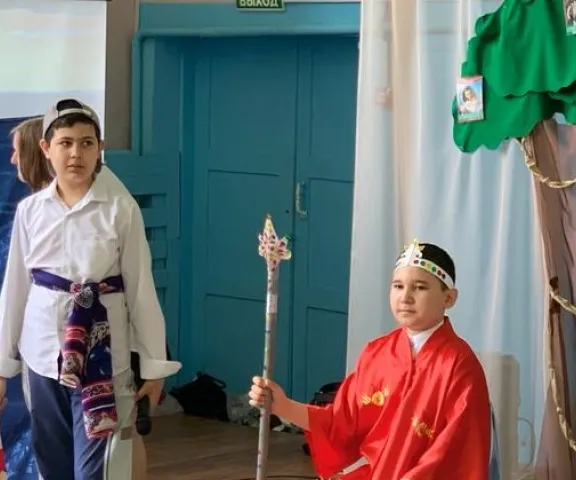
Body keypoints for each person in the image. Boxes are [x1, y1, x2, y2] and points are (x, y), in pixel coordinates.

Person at [0, 99, 181, 480]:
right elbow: (14, 291)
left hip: (102, 360)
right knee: (52, 464)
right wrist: (2, 366)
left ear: (100, 148)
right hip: (42, 356)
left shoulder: (120, 209)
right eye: (65, 143)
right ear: (46, 149)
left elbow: (141, 290)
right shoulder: (31, 211)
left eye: (86, 143)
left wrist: (154, 365)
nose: (75, 154)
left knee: (95, 469)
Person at [249, 239, 491, 480]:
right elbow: (340, 423)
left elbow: (453, 454)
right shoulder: (377, 353)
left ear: (449, 298)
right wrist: (281, 405)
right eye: (398, 286)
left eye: (420, 287)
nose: (405, 297)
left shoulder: (460, 366)